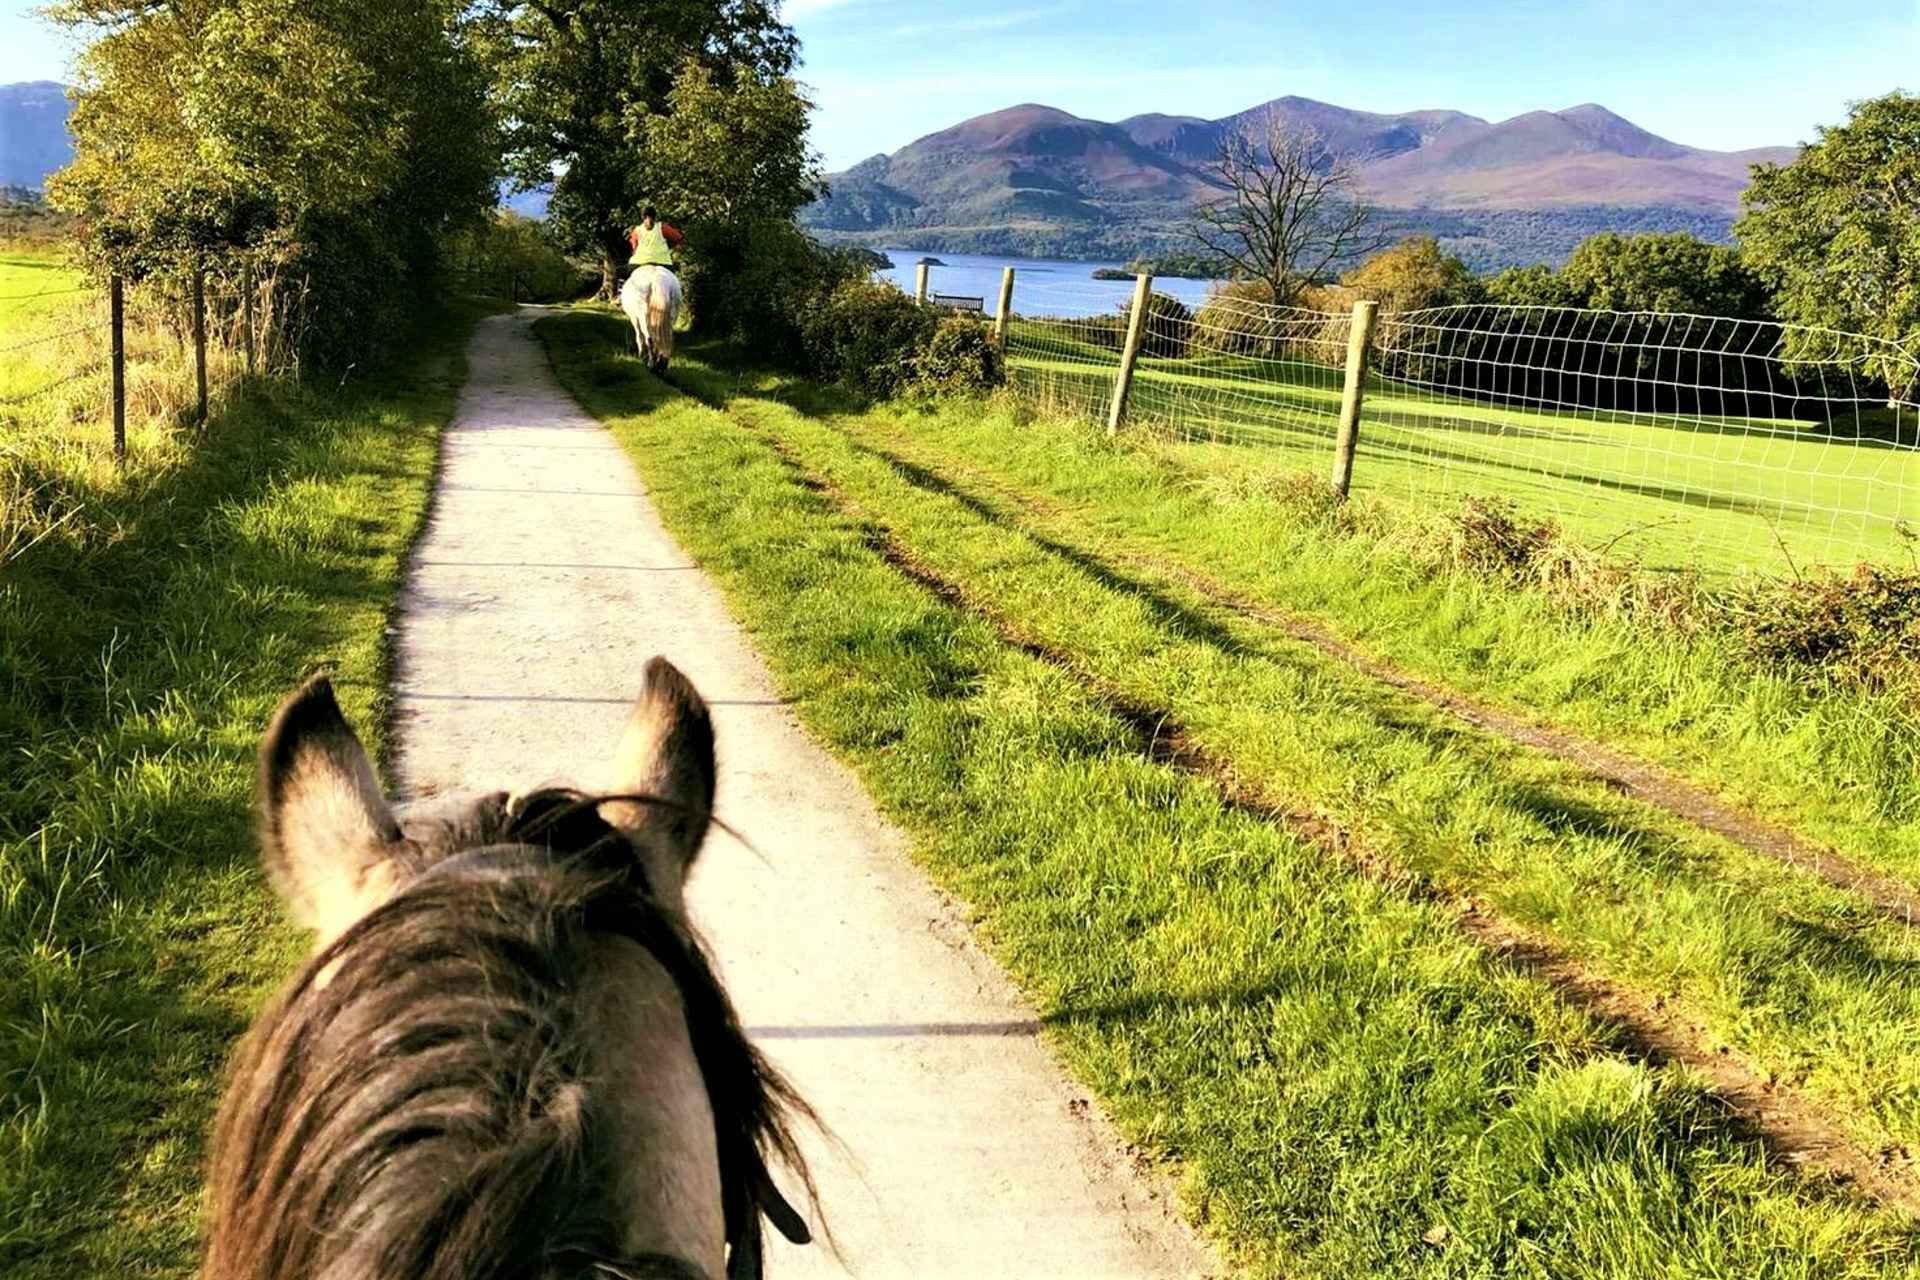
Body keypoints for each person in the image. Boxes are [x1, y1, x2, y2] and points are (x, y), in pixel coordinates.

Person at [627, 206, 683, 271]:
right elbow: (679, 238)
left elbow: (634, 250)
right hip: (663, 262)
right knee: (673, 279)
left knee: (623, 275)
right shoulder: (663, 227)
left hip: (639, 262)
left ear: (642, 217)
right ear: (654, 217)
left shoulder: (636, 231)